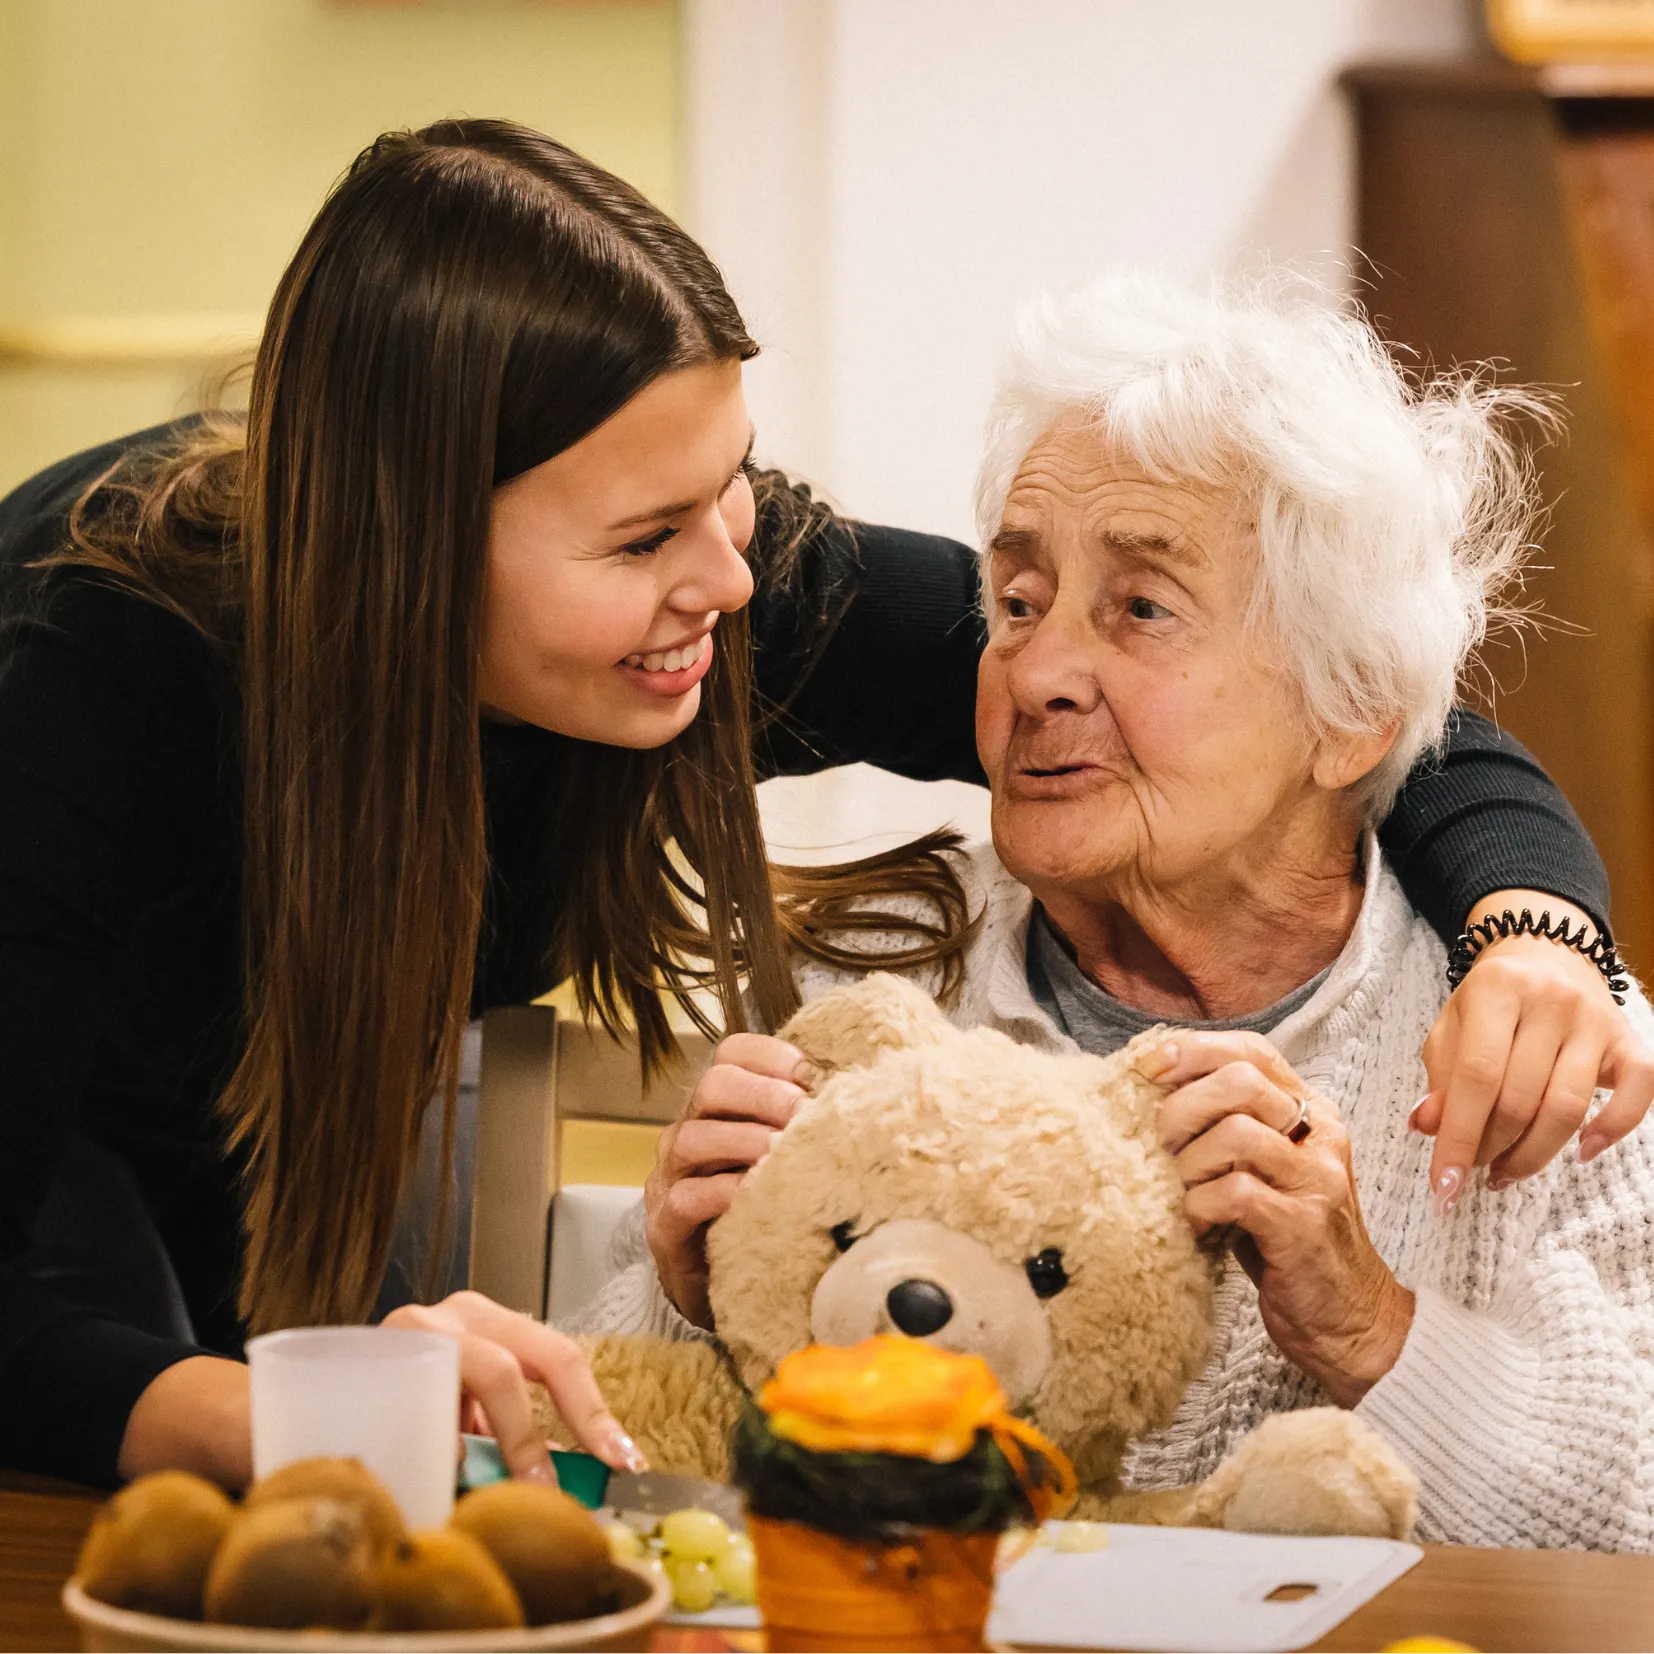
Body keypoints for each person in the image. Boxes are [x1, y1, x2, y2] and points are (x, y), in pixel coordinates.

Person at [0, 120, 1628, 1493]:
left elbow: (1365, 696)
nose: (729, 578)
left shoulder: (728, 597)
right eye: (644, 537)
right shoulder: (84, 678)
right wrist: (322, 1411)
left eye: (730, 487)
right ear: (414, 556)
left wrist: (1535, 928)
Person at [596, 276, 1654, 1549]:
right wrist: (687, 1292)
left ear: (1350, 709)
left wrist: (1367, 1323)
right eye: (1019, 602)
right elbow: (620, 1482)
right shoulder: (865, 990)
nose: (1033, 671)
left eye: (1141, 608)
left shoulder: (1541, 1045)